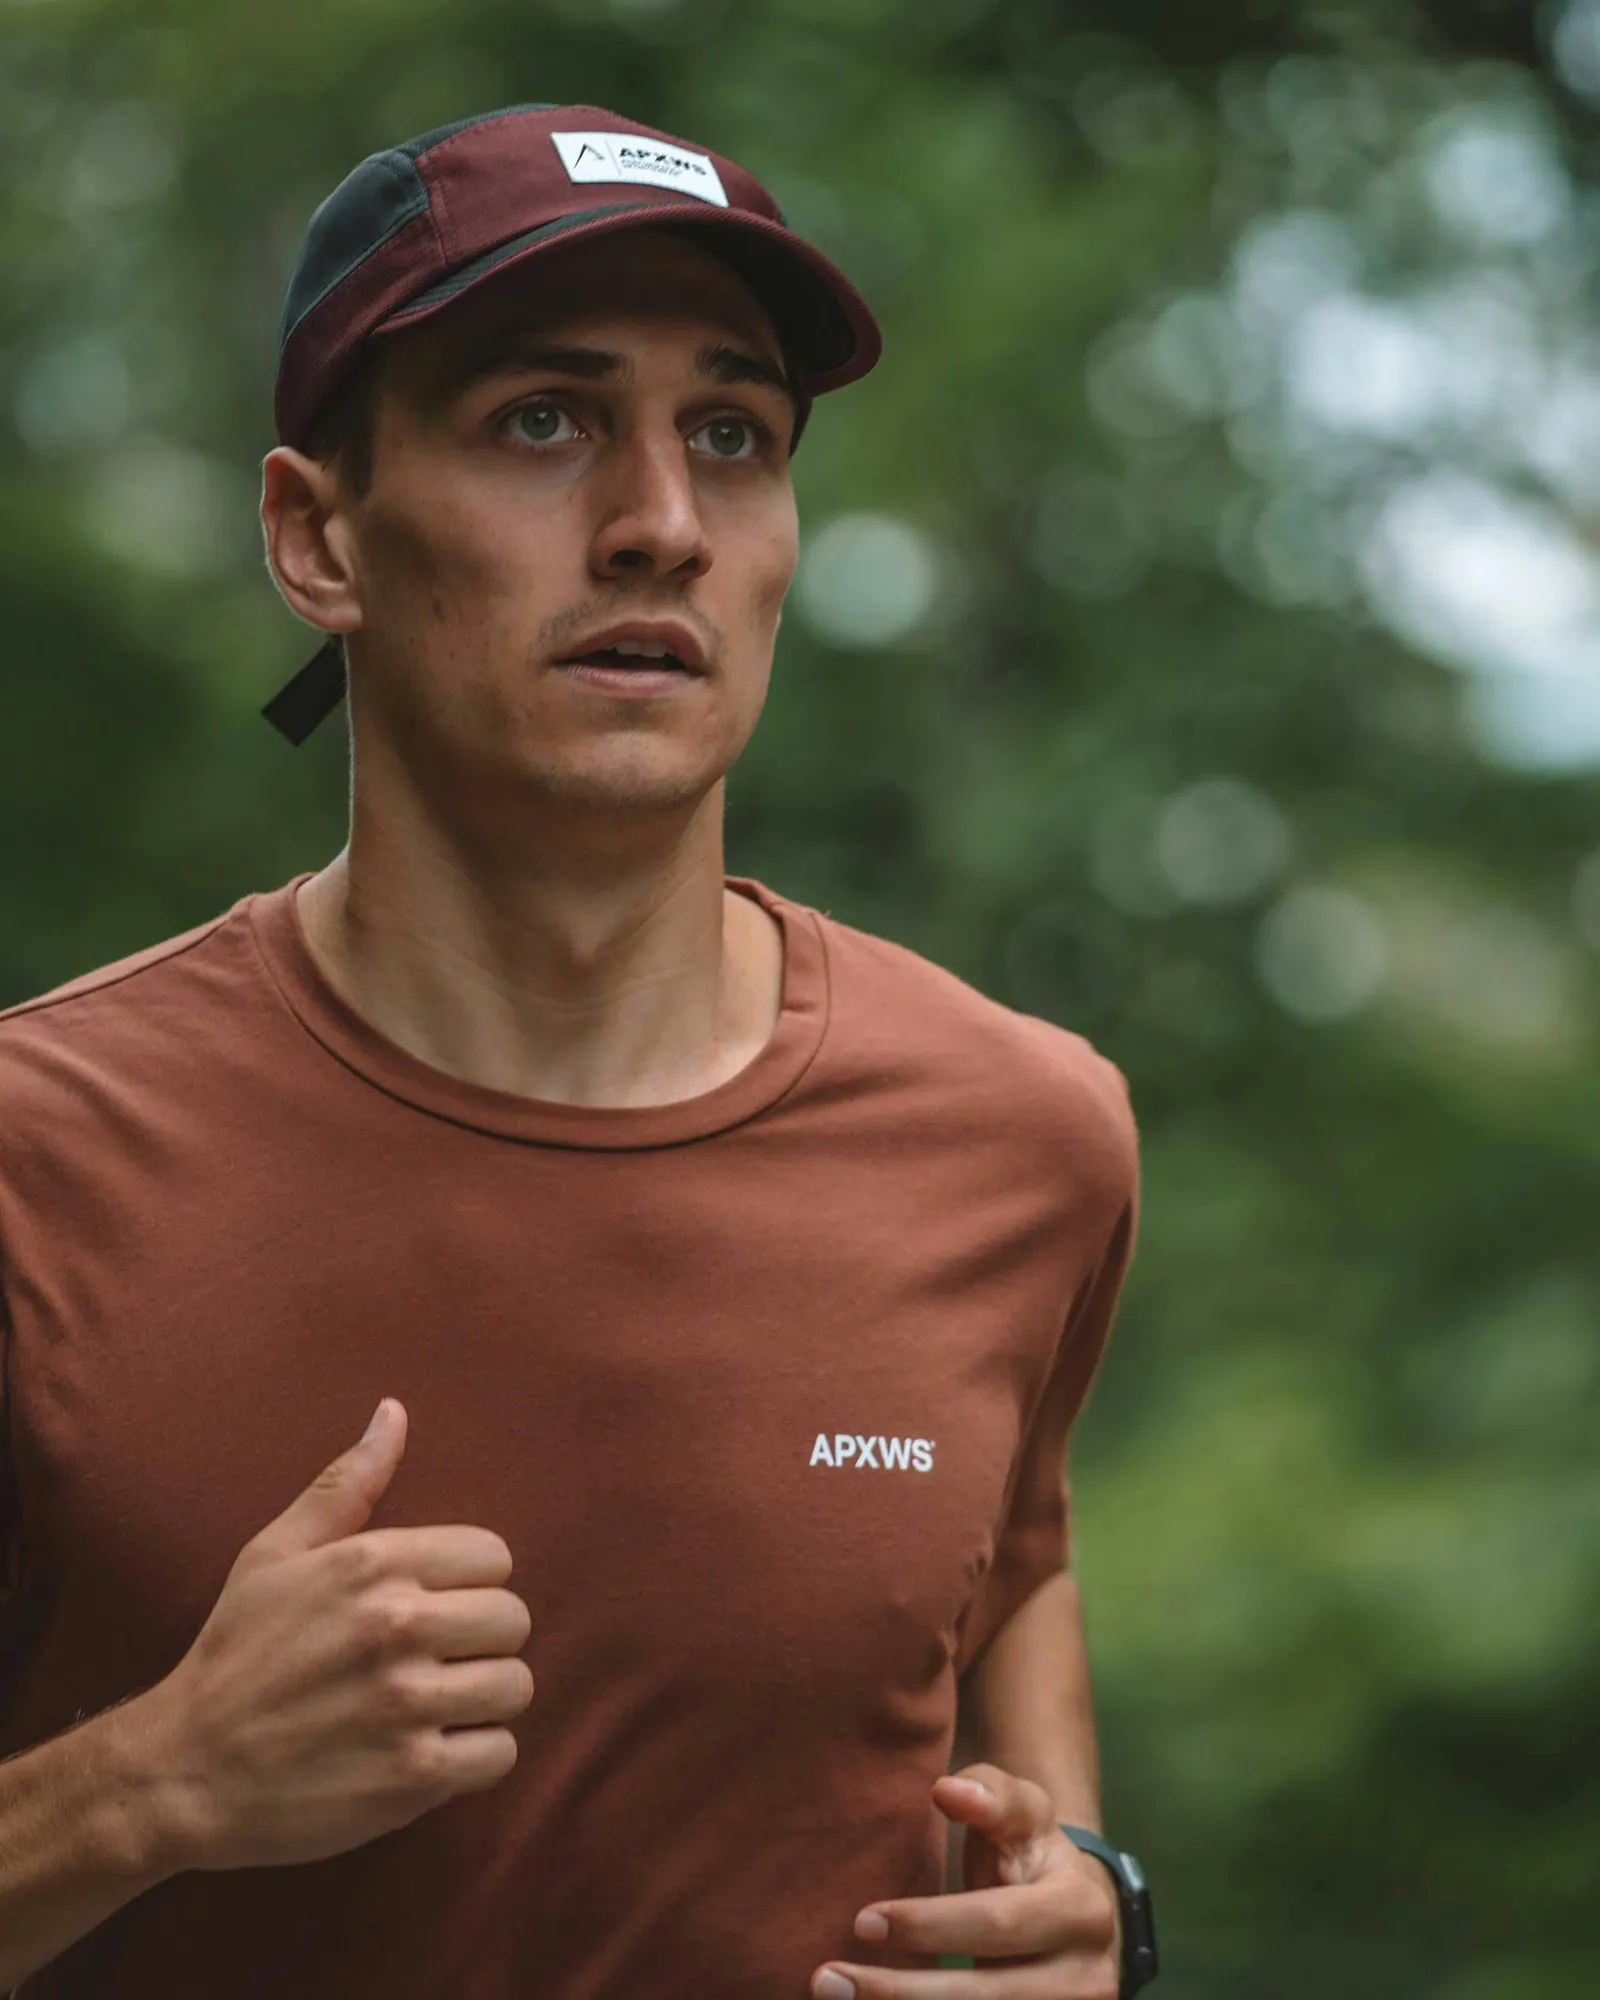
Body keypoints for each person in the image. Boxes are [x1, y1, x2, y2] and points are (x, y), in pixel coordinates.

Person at [0, 105, 1153, 1999]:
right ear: (316, 535)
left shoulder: (1026, 1133)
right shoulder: (40, 1167)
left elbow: (1009, 1555)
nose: (662, 523)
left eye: (734, 434)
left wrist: (1083, 1886)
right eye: (544, 419)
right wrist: (153, 1786)